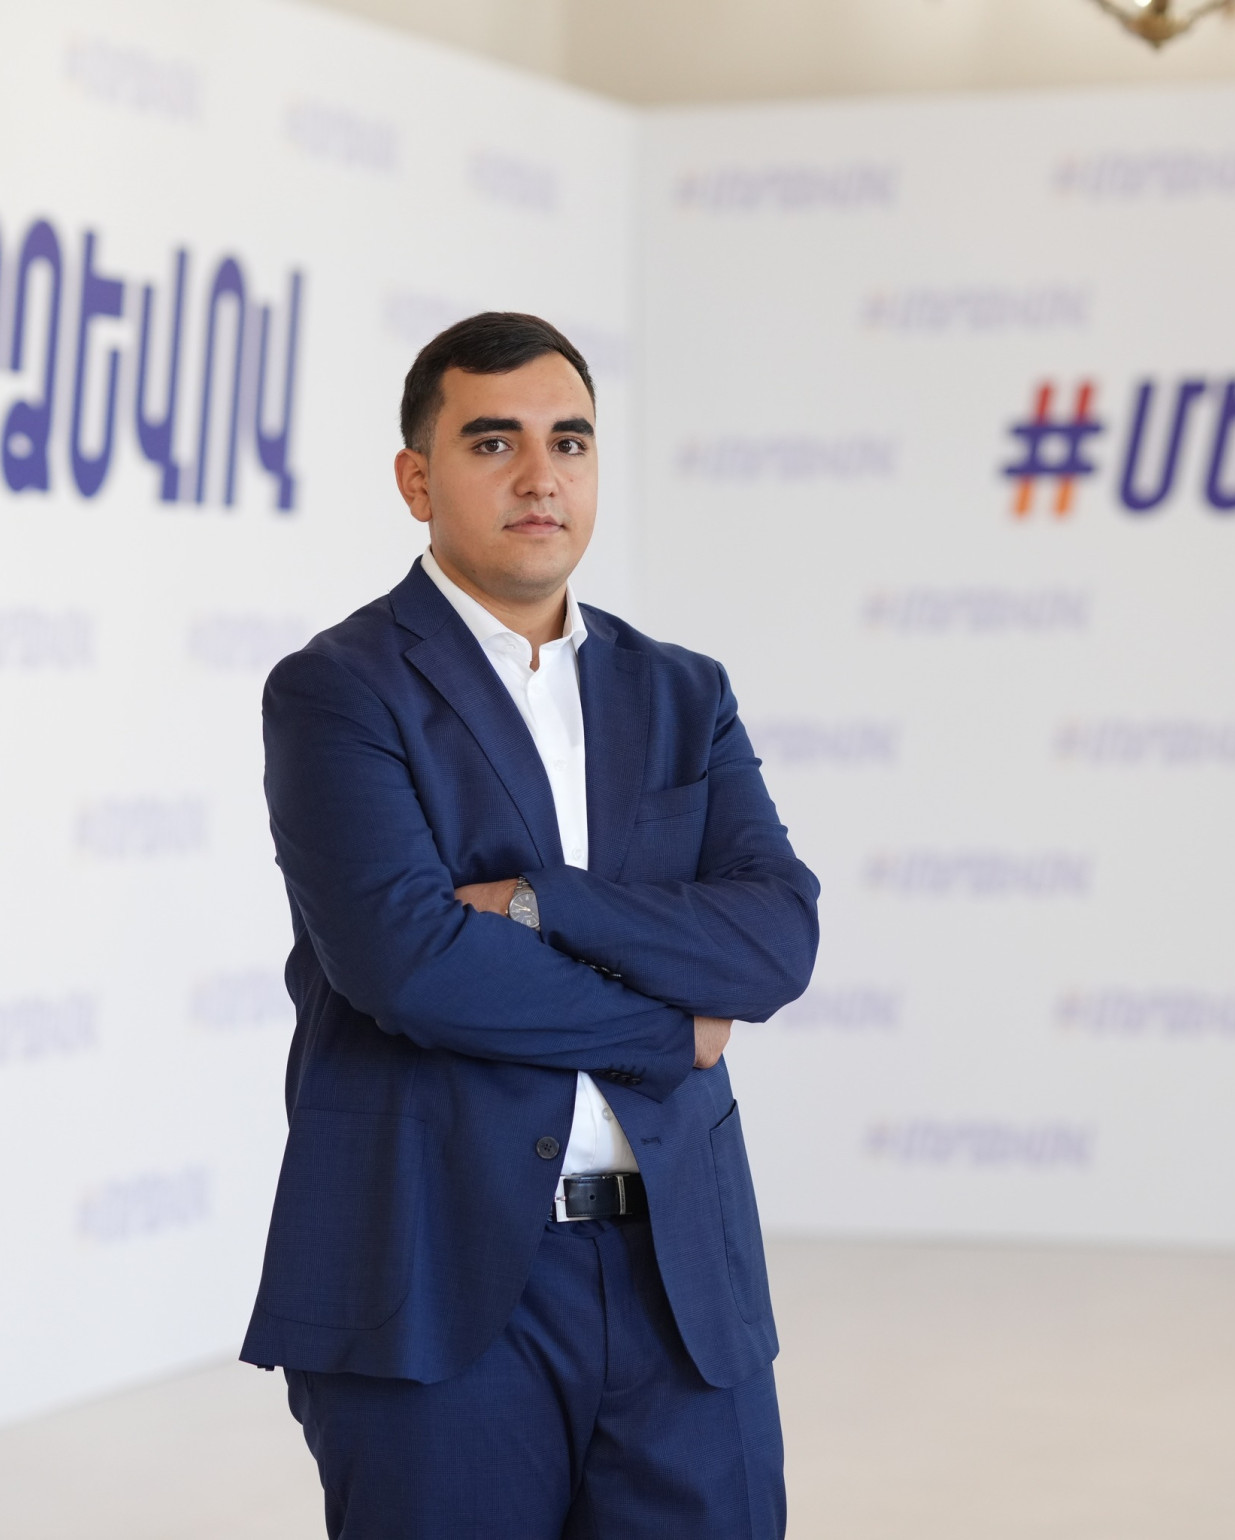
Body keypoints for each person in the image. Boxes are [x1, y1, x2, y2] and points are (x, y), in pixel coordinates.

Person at [241, 311, 820, 1539]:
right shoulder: (338, 689)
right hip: (434, 1286)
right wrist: (671, 1029)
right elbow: (412, 963)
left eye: (570, 441)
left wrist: (542, 901)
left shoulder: (684, 691)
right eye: (493, 441)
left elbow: (775, 939)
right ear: (417, 480)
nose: (540, 475)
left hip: (681, 1286)